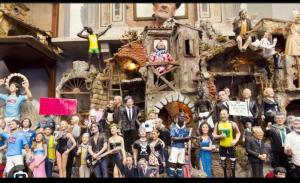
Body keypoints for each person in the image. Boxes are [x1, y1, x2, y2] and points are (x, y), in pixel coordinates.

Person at [213, 109, 241, 178]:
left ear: (228, 115)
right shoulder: (218, 124)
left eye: (224, 114)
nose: (223, 116)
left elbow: (238, 132)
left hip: (231, 145)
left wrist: (236, 140)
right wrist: (220, 136)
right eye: (221, 114)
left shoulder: (232, 123)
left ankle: (233, 175)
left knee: (233, 163)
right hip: (222, 146)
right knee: (223, 163)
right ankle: (225, 175)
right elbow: (214, 135)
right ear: (220, 115)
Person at [168, 110, 191, 178]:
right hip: (175, 147)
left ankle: (179, 176)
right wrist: (185, 138)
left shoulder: (185, 129)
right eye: (181, 116)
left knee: (180, 164)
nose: (182, 118)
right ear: (178, 117)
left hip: (182, 148)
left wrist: (186, 138)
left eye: (184, 117)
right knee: (173, 164)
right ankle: (171, 175)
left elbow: (187, 140)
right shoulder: (173, 127)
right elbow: (173, 138)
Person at [284, 11, 300, 89]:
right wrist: (291, 23)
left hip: (298, 42)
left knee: (298, 63)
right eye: (297, 16)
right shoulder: (290, 24)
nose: (298, 18)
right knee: (290, 63)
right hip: (292, 42)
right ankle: (290, 83)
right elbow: (286, 30)